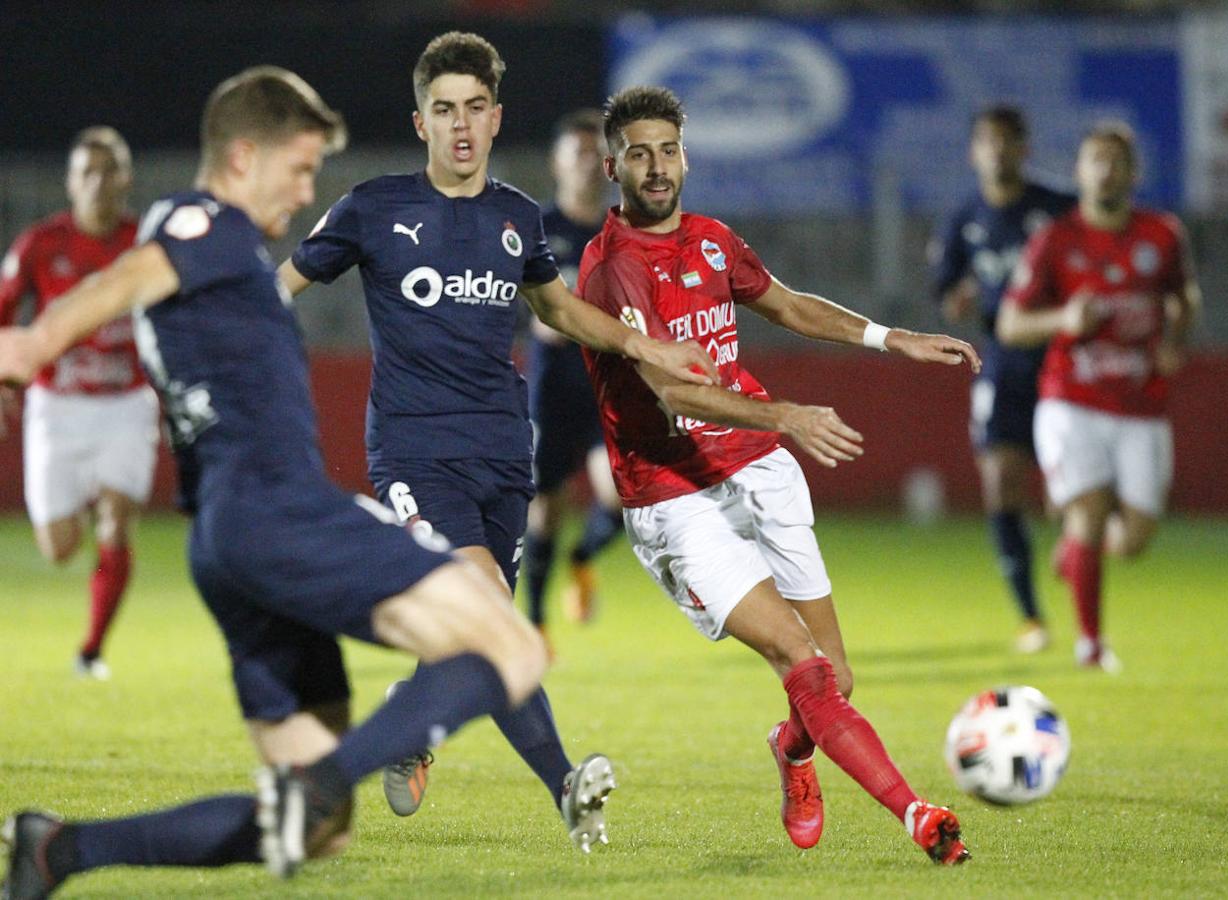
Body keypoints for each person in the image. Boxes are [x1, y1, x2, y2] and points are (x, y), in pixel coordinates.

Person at [0, 66, 583, 898]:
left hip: (226, 542)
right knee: (511, 641)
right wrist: (35, 341)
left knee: (319, 834)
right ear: (243, 156)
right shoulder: (209, 225)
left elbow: (141, 279)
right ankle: (326, 778)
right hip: (276, 510)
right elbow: (124, 279)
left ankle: (58, 851)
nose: (308, 188)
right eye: (300, 167)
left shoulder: (212, 251)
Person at [278, 33, 712, 842]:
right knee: (494, 622)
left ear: (496, 115)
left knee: (475, 631)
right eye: (444, 110)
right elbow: (284, 285)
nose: (461, 125)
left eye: (475, 107)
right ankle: (565, 783)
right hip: (414, 453)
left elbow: (555, 308)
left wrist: (644, 344)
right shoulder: (373, 208)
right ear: (421, 123)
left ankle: (410, 726)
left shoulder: (517, 218)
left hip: (504, 455)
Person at [577, 86, 978, 864]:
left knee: (835, 681)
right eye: (638, 153)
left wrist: (893, 338)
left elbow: (788, 306)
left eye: (668, 149)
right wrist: (787, 414)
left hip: (757, 467)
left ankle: (792, 751)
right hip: (673, 493)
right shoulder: (611, 269)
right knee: (802, 663)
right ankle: (920, 816)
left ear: (685, 156)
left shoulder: (712, 240)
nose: (656, 167)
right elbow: (673, 389)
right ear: (611, 166)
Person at [997, 122, 1201, 672]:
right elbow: (1011, 323)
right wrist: (1064, 317)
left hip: (1141, 403)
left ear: (1133, 173)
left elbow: (1185, 296)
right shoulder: (1055, 240)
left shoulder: (1161, 235)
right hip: (1072, 398)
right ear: (1080, 172)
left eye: (1116, 160)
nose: (1106, 169)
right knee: (1087, 508)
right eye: (1095, 160)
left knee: (1133, 538)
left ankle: (1075, 555)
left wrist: (1175, 341)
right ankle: (1091, 644)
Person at [0, 127, 156, 679]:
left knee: (116, 523)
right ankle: (86, 500)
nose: (97, 182)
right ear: (70, 182)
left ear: (125, 178)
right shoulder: (40, 245)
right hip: (57, 407)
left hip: (126, 405)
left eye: (108, 170)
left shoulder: (144, 244)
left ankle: (91, 652)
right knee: (60, 548)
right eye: (86, 171)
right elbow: (3, 312)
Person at [931, 107, 1075, 654]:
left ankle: (1073, 541)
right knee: (1000, 483)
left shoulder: (1055, 211)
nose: (998, 152)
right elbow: (945, 290)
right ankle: (1030, 616)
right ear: (974, 152)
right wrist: (957, 300)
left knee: (1068, 487)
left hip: (1062, 360)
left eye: (1009, 142)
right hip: (1003, 362)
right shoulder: (963, 219)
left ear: (1024, 149)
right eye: (988, 142)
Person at [521, 109, 625, 636]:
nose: (588, 163)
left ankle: (582, 558)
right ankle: (535, 624)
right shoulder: (536, 230)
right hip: (554, 392)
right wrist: (544, 320)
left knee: (624, 498)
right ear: (557, 163)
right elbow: (519, 307)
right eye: (577, 153)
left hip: (609, 391)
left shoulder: (623, 235)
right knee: (546, 511)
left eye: (596, 155)